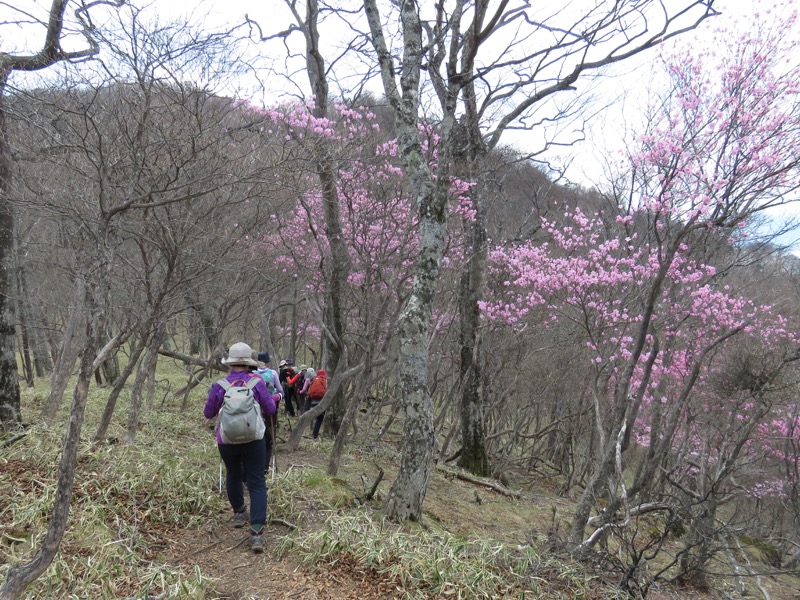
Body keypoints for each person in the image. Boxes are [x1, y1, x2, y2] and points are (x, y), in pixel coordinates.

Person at [204, 342, 278, 554]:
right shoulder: (257, 383)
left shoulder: (220, 385)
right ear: (248, 363)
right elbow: (270, 408)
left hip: (226, 440)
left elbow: (209, 413)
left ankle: (238, 512)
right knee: (256, 481)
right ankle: (256, 533)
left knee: (234, 474)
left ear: (230, 363)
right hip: (254, 439)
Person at [255, 351, 283, 471]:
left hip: (254, 409)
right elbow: (281, 390)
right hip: (270, 408)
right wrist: (276, 397)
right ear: (267, 361)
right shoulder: (273, 373)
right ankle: (265, 467)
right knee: (269, 435)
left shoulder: (252, 373)